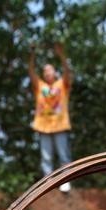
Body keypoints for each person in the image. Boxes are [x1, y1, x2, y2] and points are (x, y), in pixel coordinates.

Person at [29, 42, 74, 193]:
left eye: (49, 70)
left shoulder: (62, 84)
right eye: (44, 71)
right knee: (46, 157)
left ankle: (65, 180)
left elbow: (68, 72)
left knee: (63, 154)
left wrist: (62, 55)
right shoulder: (40, 86)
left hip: (60, 124)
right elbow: (31, 72)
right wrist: (32, 56)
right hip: (43, 125)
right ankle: (48, 182)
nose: (47, 72)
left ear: (55, 72)